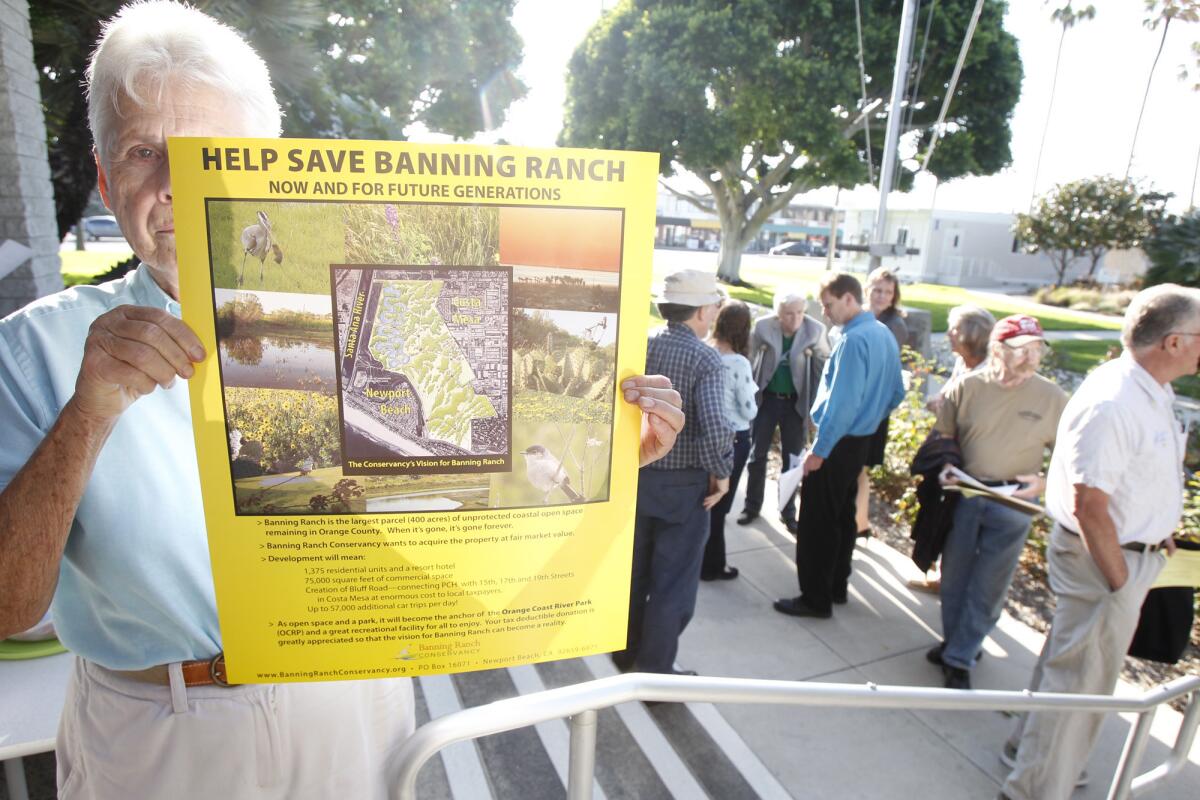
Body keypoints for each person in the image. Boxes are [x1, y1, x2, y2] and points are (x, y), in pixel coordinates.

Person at [0, 4, 684, 798]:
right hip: (158, 732)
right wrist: (87, 414)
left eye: (206, 155)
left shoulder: (350, 319)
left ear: (267, 165)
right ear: (106, 174)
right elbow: (12, 608)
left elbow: (462, 544)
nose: (175, 188)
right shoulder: (35, 350)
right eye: (145, 152)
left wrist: (599, 460)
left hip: (351, 703)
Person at [1000, 285, 1193, 800]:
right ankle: (1035, 790)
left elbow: (1133, 477)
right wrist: (1120, 579)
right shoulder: (1115, 401)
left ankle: (1027, 754)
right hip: (1104, 563)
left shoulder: (1149, 390)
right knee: (1079, 690)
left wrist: (1160, 526)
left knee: (1068, 669)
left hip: (1120, 558)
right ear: (1173, 342)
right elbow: (1091, 504)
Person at [926, 315, 1068, 690]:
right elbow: (944, 438)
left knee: (989, 586)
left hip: (1014, 506)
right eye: (1022, 350)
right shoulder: (967, 387)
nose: (1031, 358)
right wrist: (947, 466)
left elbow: (1076, 458)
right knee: (954, 579)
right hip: (966, 496)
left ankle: (959, 656)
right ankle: (957, 643)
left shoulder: (1053, 398)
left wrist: (1045, 481)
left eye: (1038, 349)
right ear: (998, 350)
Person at [614, 268, 732, 675]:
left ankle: (624, 655)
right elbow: (716, 426)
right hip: (684, 488)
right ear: (700, 311)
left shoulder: (641, 346)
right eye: (714, 305)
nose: (716, 312)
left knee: (634, 575)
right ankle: (655, 674)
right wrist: (722, 472)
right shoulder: (706, 358)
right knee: (672, 587)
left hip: (636, 475)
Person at [773, 273, 904, 619]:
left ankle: (815, 598)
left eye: (829, 305)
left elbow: (842, 406)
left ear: (849, 299)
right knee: (844, 517)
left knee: (817, 522)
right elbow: (896, 394)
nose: (825, 313)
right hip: (860, 441)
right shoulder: (884, 334)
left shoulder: (852, 340)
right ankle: (836, 586)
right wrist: (871, 419)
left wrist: (820, 450)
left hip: (837, 442)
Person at [912, 303, 995, 594]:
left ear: (972, 334)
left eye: (955, 328)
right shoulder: (963, 362)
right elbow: (949, 397)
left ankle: (951, 579)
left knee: (958, 519)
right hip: (948, 452)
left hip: (970, 458)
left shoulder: (989, 373)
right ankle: (939, 575)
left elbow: (976, 417)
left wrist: (944, 407)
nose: (949, 333)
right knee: (940, 512)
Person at [738, 292, 829, 533]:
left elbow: (822, 370)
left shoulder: (815, 331)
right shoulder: (764, 327)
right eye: (789, 313)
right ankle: (752, 506)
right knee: (757, 456)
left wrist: (815, 412)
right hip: (767, 399)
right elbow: (748, 358)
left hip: (795, 403)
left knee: (793, 459)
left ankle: (787, 511)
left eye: (800, 312)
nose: (795, 318)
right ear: (779, 315)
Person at [701, 300, 757, 581]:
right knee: (719, 506)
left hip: (705, 435)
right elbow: (748, 409)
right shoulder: (738, 363)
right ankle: (712, 565)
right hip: (734, 437)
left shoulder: (706, 352)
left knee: (705, 500)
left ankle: (704, 560)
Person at [855, 267, 908, 538]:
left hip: (873, 407)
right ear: (867, 290)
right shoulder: (858, 316)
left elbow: (882, 368)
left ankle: (860, 523)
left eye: (888, 292)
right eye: (877, 290)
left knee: (860, 468)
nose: (882, 296)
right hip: (853, 403)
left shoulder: (894, 325)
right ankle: (858, 521)